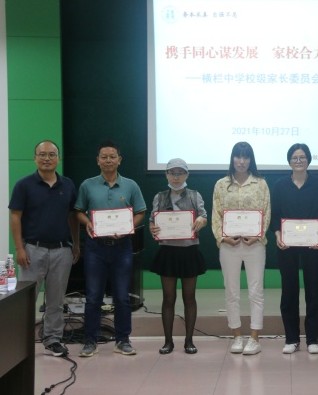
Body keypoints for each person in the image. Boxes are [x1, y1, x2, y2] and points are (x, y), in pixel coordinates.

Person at [75, 140, 146, 357]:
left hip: (122, 247)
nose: (108, 160)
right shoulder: (87, 185)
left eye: (112, 157)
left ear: (119, 160)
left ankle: (123, 340)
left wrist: (127, 228)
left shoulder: (131, 185)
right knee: (93, 296)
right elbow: (78, 211)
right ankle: (90, 340)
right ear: (97, 161)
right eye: (104, 157)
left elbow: (141, 212)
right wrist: (86, 222)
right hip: (95, 248)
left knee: (122, 297)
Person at [8, 140, 80, 357]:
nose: (47, 158)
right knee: (26, 300)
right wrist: (19, 249)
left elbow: (73, 217)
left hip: (62, 251)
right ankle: (19, 342)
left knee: (56, 301)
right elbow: (15, 217)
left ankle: (53, 339)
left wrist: (76, 244)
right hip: (32, 250)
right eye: (42, 154)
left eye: (51, 154)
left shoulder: (68, 185)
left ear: (58, 158)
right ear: (35, 158)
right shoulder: (24, 185)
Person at [271, 143, 318, 355]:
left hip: (313, 245)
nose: (298, 161)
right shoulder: (280, 185)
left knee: (313, 292)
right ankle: (291, 339)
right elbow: (274, 216)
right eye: (294, 157)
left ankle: (312, 339)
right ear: (289, 161)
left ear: (308, 160)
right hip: (286, 245)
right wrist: (278, 235)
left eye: (302, 157)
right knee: (289, 292)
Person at [211, 142, 271, 356]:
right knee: (232, 292)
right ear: (232, 158)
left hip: (255, 245)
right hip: (229, 245)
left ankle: (254, 338)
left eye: (246, 157)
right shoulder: (221, 184)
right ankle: (236, 335)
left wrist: (257, 235)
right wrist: (223, 237)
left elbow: (266, 212)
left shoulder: (261, 184)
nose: (242, 161)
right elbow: (216, 214)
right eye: (238, 156)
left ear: (251, 160)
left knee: (256, 291)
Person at [149, 158, 208, 355]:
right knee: (168, 298)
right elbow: (152, 221)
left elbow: (203, 216)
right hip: (168, 251)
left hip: (189, 251)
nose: (176, 177)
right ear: (166, 175)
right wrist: (152, 228)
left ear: (187, 175)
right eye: (172, 173)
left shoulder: (194, 195)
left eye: (180, 173)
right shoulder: (160, 197)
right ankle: (168, 342)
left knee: (189, 298)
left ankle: (189, 341)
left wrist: (201, 220)